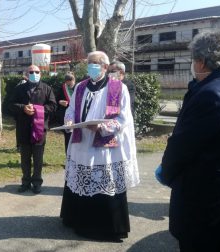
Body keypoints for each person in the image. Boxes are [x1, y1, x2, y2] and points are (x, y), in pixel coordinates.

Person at [156, 30, 220, 252]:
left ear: (201, 62)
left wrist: (166, 172)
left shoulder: (211, 94)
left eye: (193, 59)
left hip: (202, 197)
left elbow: (182, 146)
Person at [60, 51, 139, 241]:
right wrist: (70, 122)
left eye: (95, 63)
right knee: (82, 181)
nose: (91, 66)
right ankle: (78, 221)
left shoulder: (118, 88)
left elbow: (123, 118)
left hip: (105, 146)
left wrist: (102, 127)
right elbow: (71, 110)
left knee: (104, 182)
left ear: (105, 66)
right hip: (81, 144)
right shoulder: (80, 87)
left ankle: (105, 228)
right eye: (89, 63)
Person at [8, 65, 57, 194]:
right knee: (24, 158)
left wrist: (38, 110)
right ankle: (25, 182)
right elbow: (10, 105)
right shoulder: (19, 89)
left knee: (38, 158)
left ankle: (37, 183)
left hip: (40, 129)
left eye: (37, 72)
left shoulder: (47, 88)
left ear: (40, 73)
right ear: (26, 73)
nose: (34, 73)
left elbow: (53, 106)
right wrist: (23, 107)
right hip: (23, 129)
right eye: (31, 72)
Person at [56, 71, 76, 154]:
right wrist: (60, 102)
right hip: (66, 116)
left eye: (70, 81)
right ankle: (68, 157)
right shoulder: (62, 88)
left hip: (77, 116)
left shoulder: (79, 88)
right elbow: (56, 99)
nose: (69, 83)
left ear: (74, 80)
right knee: (67, 137)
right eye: (67, 82)